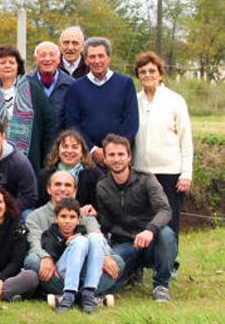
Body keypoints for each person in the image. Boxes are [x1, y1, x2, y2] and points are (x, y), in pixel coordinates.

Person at [24, 171, 123, 309]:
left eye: (67, 185)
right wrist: (46, 257)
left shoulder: (84, 215)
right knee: (32, 261)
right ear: (48, 189)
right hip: (57, 268)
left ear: (75, 190)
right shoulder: (35, 216)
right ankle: (86, 298)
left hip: (85, 267)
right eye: (58, 184)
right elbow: (34, 243)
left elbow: (97, 236)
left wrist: (104, 256)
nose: (63, 189)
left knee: (117, 262)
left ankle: (72, 297)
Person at [97, 134, 176, 302]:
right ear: (104, 158)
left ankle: (161, 285)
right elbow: (105, 224)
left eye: (120, 154)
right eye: (111, 155)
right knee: (109, 281)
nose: (116, 159)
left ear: (129, 156)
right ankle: (130, 273)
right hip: (124, 243)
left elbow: (164, 210)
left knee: (167, 234)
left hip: (151, 241)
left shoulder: (146, 179)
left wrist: (150, 230)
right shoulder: (102, 186)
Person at [133, 51, 193, 245]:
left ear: (160, 74)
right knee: (143, 219)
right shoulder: (134, 100)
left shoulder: (175, 100)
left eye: (152, 70)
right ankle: (144, 261)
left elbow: (186, 140)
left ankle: (170, 262)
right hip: (141, 171)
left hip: (169, 172)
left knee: (169, 219)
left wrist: (186, 174)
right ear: (138, 75)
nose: (148, 75)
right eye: (143, 71)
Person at [0, 45, 54, 173]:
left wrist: (46, 164)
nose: (7, 66)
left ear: (18, 66)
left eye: (11, 62)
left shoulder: (35, 92)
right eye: (2, 62)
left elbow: (48, 129)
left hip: (28, 165)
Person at [64, 37, 139, 165]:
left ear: (108, 58)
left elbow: (131, 120)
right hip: (87, 157)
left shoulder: (125, 83)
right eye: (92, 57)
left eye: (101, 56)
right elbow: (73, 123)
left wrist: (114, 150)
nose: (97, 61)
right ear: (86, 60)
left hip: (119, 158)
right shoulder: (76, 87)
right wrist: (92, 149)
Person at [42, 199, 107, 314]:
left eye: (72, 217)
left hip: (83, 274)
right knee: (80, 241)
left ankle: (89, 293)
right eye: (63, 216)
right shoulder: (49, 234)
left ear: (78, 220)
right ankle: (68, 296)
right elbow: (53, 253)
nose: (67, 221)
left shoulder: (82, 231)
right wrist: (67, 243)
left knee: (96, 238)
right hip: (62, 273)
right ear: (56, 218)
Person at [36, 130, 103, 209]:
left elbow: (100, 207)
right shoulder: (44, 175)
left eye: (74, 147)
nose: (69, 151)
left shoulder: (94, 175)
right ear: (58, 150)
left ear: (82, 152)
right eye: (65, 146)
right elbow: (38, 205)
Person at [29, 41, 75, 134]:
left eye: (51, 55)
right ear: (35, 59)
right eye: (43, 55)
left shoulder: (71, 85)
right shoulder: (25, 84)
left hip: (61, 142)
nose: (47, 59)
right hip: (34, 141)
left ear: (59, 59)